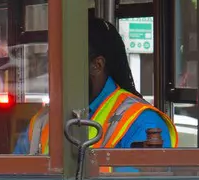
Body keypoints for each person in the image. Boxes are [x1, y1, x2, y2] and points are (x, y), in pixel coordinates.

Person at [18, 15, 176, 153]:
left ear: (97, 66)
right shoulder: (43, 120)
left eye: (64, 65)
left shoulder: (141, 122)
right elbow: (14, 177)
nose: (52, 75)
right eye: (50, 65)